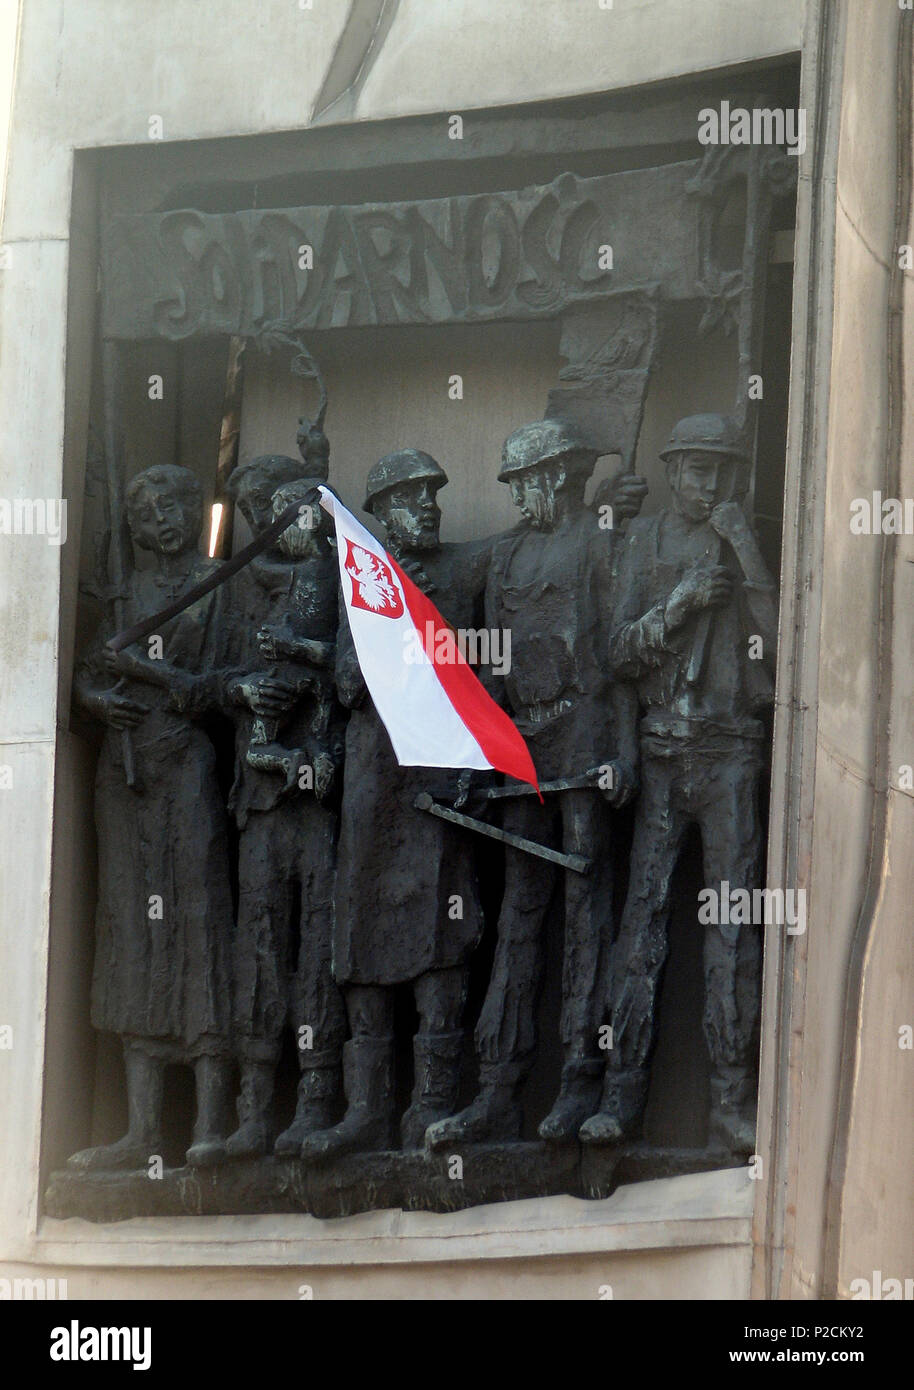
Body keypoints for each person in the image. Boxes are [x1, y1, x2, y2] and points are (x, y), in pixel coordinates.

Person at [428, 418, 645, 1149]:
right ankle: (498, 1089)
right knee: (519, 913)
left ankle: (582, 1078)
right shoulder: (507, 554)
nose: (518, 496)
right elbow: (489, 663)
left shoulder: (601, 543)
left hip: (585, 746)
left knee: (586, 917)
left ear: (558, 476)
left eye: (524, 482)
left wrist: (623, 755)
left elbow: (619, 662)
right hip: (521, 752)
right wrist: (479, 754)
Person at [581, 413, 777, 1153]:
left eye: (724, 470)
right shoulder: (643, 542)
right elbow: (617, 654)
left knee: (733, 925)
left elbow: (781, 646)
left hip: (732, 756)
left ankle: (730, 1099)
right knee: (644, 922)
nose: (711, 483)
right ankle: (620, 1095)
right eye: (698, 469)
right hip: (665, 753)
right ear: (671, 471)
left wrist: (745, 548)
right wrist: (682, 603)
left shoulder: (747, 539)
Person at [301, 449, 491, 1160]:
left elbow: (480, 675)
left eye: (433, 495)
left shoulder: (464, 572)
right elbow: (349, 685)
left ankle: (432, 1106)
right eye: (411, 498)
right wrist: (390, 616)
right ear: (382, 514)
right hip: (372, 782)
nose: (429, 507)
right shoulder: (364, 583)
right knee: (362, 937)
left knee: (444, 934)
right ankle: (366, 1112)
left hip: (436, 775)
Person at [68, 464, 233, 1171]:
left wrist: (157, 677)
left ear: (196, 510)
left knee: (198, 922)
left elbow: (226, 685)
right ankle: (141, 1132)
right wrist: (99, 701)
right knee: (132, 928)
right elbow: (85, 673)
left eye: (171, 504)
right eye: (144, 511)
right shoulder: (121, 591)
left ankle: (211, 1124)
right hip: (124, 774)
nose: (159, 518)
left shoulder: (218, 585)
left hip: (184, 767)